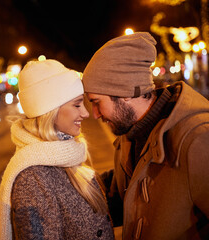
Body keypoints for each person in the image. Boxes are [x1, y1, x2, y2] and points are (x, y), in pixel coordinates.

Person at [82, 32, 209, 239]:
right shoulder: (130, 133)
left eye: (96, 102)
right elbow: (124, 194)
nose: (94, 114)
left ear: (124, 95)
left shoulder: (198, 138)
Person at [0, 59, 114, 240]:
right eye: (77, 105)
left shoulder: (65, 157)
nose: (86, 113)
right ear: (50, 111)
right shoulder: (32, 180)